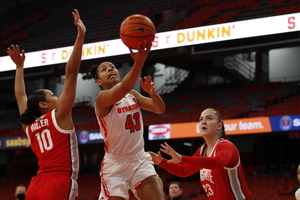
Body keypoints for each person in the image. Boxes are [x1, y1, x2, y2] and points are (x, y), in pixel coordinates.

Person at [7, 9, 86, 200]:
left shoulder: (30, 126)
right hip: (59, 182)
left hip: (36, 185)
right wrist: (80, 36)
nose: (58, 96)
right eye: (52, 94)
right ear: (43, 104)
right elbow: (72, 73)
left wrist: (19, 67)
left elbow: (20, 96)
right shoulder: (59, 115)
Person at [89, 41, 166, 200]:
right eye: (104, 69)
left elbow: (159, 109)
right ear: (99, 82)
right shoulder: (102, 100)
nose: (110, 69)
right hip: (115, 164)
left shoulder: (132, 95)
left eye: (112, 66)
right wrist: (138, 63)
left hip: (139, 159)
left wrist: (152, 93)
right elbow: (122, 89)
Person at [149, 108, 251, 200]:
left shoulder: (225, 145)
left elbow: (218, 162)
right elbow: (184, 171)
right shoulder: (202, 150)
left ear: (219, 126)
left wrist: (182, 158)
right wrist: (161, 162)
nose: (203, 122)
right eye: (201, 119)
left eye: (209, 118)